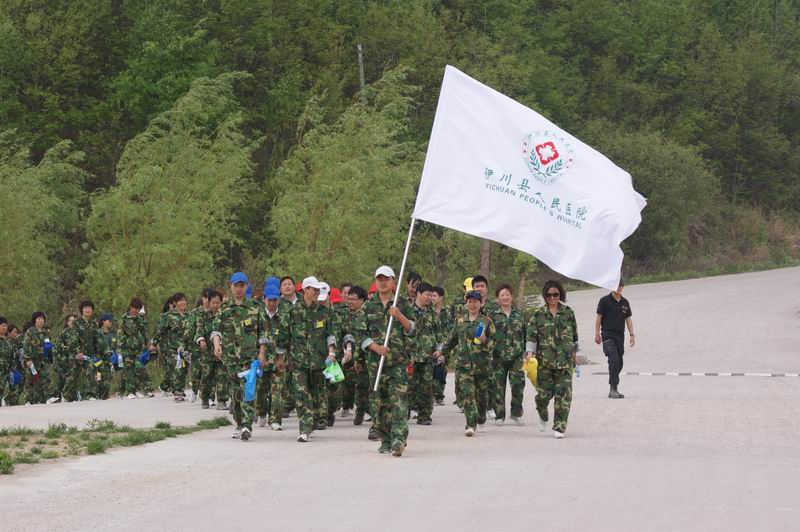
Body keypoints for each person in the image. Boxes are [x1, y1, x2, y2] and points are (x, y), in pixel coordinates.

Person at [357, 265, 415, 456]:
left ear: (393, 282)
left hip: (397, 362)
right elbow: (361, 334)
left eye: (386, 279)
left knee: (399, 401)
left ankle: (398, 439)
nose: (382, 282)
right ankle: (386, 439)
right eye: (379, 279)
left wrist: (398, 315)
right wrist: (376, 348)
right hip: (376, 364)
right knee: (379, 404)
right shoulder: (368, 306)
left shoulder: (402, 303)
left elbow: (413, 329)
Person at [275, 276, 338, 442]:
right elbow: (283, 336)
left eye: (318, 290)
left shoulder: (324, 312)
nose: (316, 292)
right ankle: (305, 428)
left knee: (317, 396)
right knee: (301, 394)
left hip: (319, 361)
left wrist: (332, 353)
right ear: (305, 290)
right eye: (313, 289)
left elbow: (331, 334)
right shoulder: (292, 312)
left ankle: (314, 422)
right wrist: (280, 357)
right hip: (298, 361)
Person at [211, 272, 269, 442]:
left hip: (250, 358)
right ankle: (239, 424)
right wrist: (216, 345)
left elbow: (263, 333)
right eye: (236, 285)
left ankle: (247, 425)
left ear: (246, 287)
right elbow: (216, 330)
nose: (239, 289)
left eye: (242, 286)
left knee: (248, 391)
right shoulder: (224, 309)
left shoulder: (255, 307)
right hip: (230, 359)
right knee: (235, 395)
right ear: (231, 286)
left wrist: (262, 353)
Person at [525, 280, 578, 439]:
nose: (552, 297)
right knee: (543, 395)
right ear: (545, 296)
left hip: (565, 361)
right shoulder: (538, 315)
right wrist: (529, 354)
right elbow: (531, 337)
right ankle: (542, 413)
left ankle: (560, 426)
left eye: (555, 294)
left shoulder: (568, 313)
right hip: (545, 362)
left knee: (564, 396)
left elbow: (575, 337)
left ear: (560, 294)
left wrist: (575, 357)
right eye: (549, 295)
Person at [443, 291, 495, 436]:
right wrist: (441, 352)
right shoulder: (460, 321)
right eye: (469, 302)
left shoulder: (487, 322)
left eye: (475, 302)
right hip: (464, 365)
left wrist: (485, 341)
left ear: (481, 303)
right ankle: (470, 424)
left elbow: (494, 343)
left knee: (481, 396)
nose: (472, 305)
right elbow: (452, 340)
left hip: (482, 365)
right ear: (466, 303)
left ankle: (481, 418)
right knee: (467, 394)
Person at [490, 284, 526, 425]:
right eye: (502, 295)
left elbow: (526, 333)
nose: (505, 297)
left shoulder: (519, 315)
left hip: (516, 357)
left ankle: (516, 413)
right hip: (497, 357)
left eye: (507, 294)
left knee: (518, 384)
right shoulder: (493, 316)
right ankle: (499, 415)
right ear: (497, 298)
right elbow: (485, 333)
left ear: (512, 296)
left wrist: (528, 352)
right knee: (498, 387)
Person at [595, 278, 635, 398]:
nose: (618, 288)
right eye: (616, 285)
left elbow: (628, 318)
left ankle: (613, 382)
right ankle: (613, 389)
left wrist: (632, 334)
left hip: (620, 336)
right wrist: (597, 333)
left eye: (620, 285)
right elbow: (599, 317)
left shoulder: (625, 302)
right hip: (607, 335)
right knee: (614, 360)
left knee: (619, 362)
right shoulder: (604, 301)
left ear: (623, 287)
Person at [256, 277, 287, 430]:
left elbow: (286, 337)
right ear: (264, 299)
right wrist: (259, 353)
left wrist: (282, 356)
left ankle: (275, 419)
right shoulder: (257, 315)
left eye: (275, 300)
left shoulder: (284, 316)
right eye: (270, 300)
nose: (272, 303)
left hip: (278, 360)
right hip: (261, 360)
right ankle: (262, 412)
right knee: (260, 391)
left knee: (278, 392)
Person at [408, 282, 439, 425]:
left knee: (426, 386)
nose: (430, 298)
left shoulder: (432, 313)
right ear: (419, 294)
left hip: (428, 355)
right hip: (412, 355)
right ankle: (405, 412)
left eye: (432, 295)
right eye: (427, 295)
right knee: (409, 386)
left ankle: (425, 415)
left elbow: (439, 332)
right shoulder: (408, 311)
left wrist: (439, 350)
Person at [195, 289, 228, 410]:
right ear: (209, 303)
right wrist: (201, 340)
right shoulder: (203, 316)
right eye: (213, 303)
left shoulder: (225, 315)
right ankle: (205, 398)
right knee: (207, 376)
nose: (215, 305)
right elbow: (199, 330)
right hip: (208, 352)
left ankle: (222, 401)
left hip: (222, 351)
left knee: (222, 375)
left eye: (217, 303)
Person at [340, 285, 369, 425]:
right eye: (349, 299)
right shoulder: (345, 314)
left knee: (365, 385)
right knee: (352, 385)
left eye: (353, 299)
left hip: (366, 355)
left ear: (362, 300)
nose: (350, 302)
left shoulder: (368, 314)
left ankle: (364, 412)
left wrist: (359, 358)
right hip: (349, 355)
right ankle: (352, 409)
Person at [118, 298, 155, 399]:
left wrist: (148, 344)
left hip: (138, 349)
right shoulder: (124, 318)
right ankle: (130, 391)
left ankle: (145, 390)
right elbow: (120, 334)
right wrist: (119, 348)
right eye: (135, 308)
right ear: (131, 307)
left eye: (138, 309)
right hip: (127, 349)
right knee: (129, 371)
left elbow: (144, 332)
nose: (136, 310)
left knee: (140, 368)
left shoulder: (140, 319)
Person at [22, 311, 55, 404]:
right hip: (33, 360)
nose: (41, 320)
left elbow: (49, 345)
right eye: (39, 319)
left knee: (47, 377)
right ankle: (28, 399)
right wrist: (28, 359)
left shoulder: (46, 332)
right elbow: (26, 345)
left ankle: (48, 396)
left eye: (42, 319)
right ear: (35, 320)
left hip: (44, 360)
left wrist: (51, 357)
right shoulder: (30, 331)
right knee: (31, 380)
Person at [75, 300, 98, 400]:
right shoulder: (76, 323)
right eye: (85, 308)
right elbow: (73, 339)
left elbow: (97, 340)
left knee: (97, 367)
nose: (88, 310)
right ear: (82, 310)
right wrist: (78, 352)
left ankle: (91, 394)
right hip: (78, 355)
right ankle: (69, 394)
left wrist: (100, 353)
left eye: (89, 308)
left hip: (91, 355)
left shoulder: (94, 324)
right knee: (73, 377)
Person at [430, 286, 450, 406]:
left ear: (441, 297)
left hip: (445, 344)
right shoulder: (428, 311)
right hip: (432, 344)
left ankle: (439, 395)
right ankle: (431, 395)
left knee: (443, 370)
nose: (432, 298)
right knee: (432, 369)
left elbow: (451, 328)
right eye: (431, 295)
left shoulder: (447, 311)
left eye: (434, 296)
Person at [59, 314, 84, 402]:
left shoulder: (80, 332)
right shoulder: (64, 333)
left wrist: (81, 353)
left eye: (75, 321)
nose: (73, 323)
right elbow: (59, 345)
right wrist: (69, 350)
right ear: (67, 322)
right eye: (71, 321)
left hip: (81, 357)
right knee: (71, 377)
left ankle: (74, 395)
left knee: (77, 377)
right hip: (69, 358)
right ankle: (65, 394)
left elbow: (84, 344)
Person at [153, 296, 175, 396]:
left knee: (176, 367)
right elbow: (159, 331)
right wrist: (154, 343)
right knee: (170, 366)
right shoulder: (165, 316)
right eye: (173, 305)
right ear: (169, 305)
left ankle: (170, 387)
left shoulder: (179, 316)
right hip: (166, 346)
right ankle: (164, 386)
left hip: (175, 346)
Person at [95, 313, 116, 399]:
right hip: (99, 359)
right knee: (99, 377)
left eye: (111, 321)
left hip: (110, 360)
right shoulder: (97, 333)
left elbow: (115, 345)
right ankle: (98, 395)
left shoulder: (113, 333)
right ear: (103, 321)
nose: (111, 322)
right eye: (109, 320)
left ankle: (105, 396)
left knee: (108, 379)